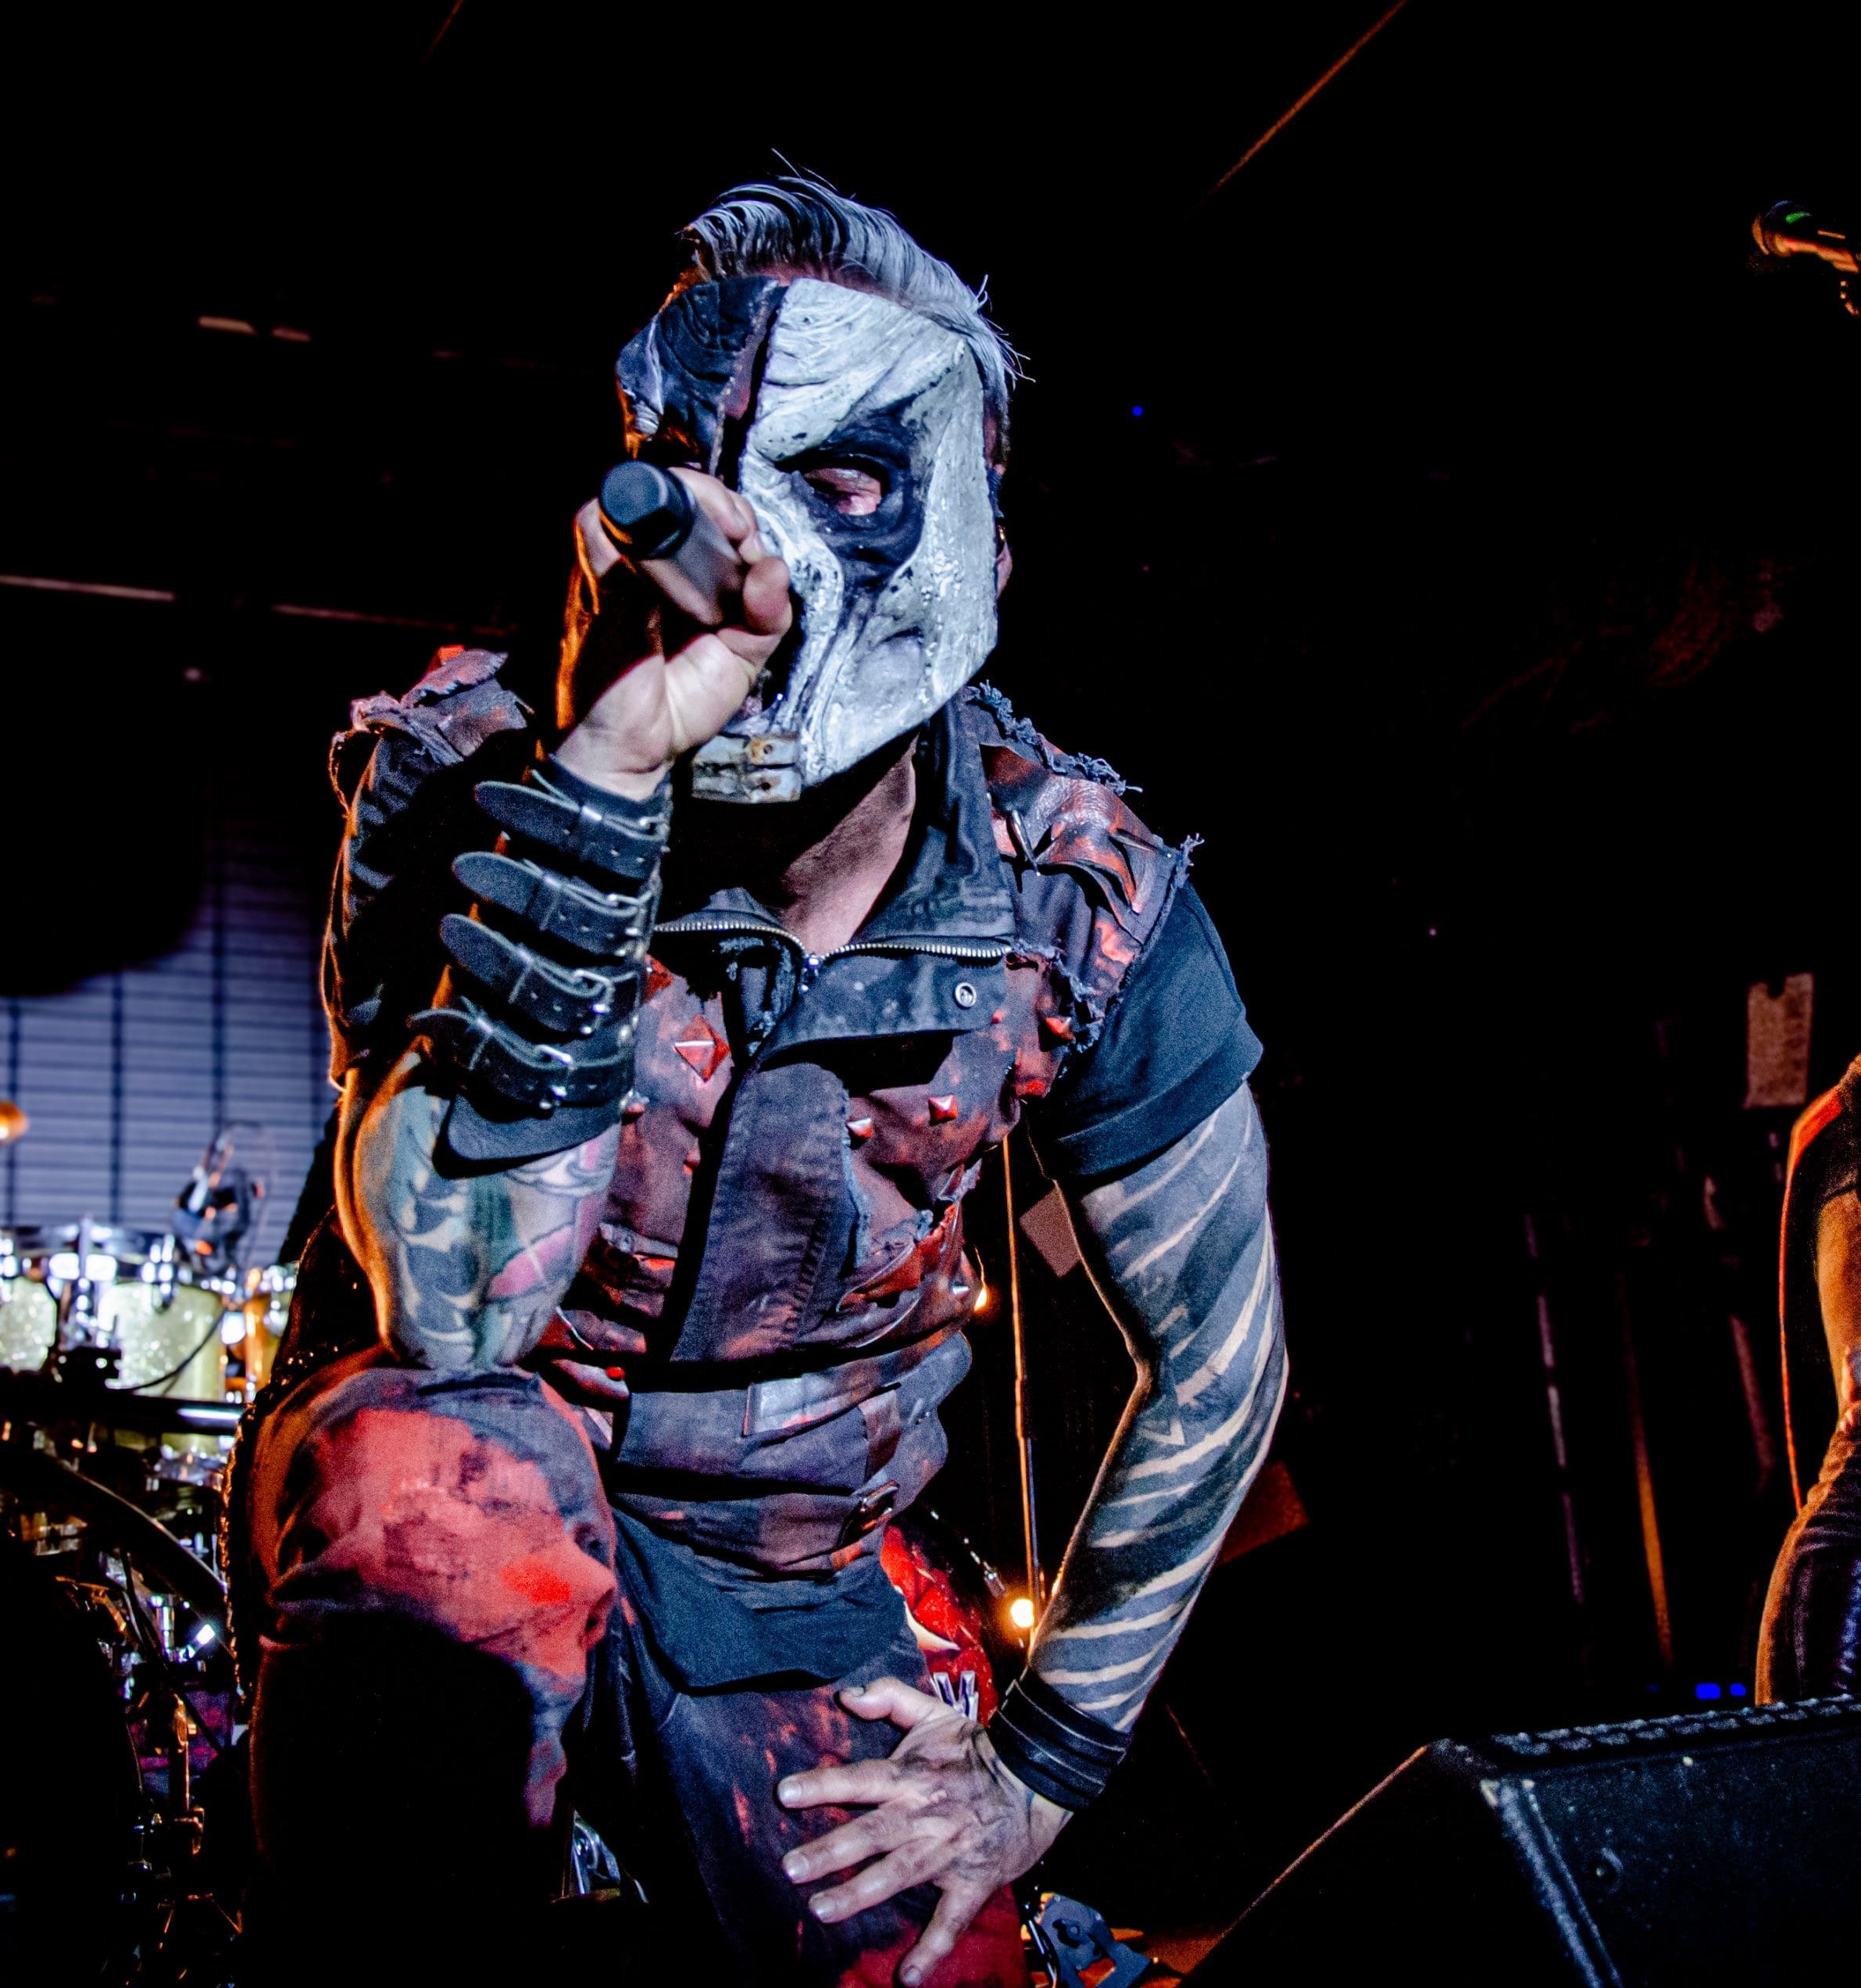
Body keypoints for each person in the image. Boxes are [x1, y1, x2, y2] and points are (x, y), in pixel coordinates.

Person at [234, 177, 1287, 1987]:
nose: (760, 551)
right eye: (698, 473)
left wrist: (1038, 1771)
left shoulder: (1075, 890)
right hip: (467, 1483)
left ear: (988, 546)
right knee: (437, 1486)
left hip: (795, 1567)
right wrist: (607, 776)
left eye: (851, 481)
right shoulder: (474, 775)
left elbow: (1221, 1365)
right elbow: (457, 1313)